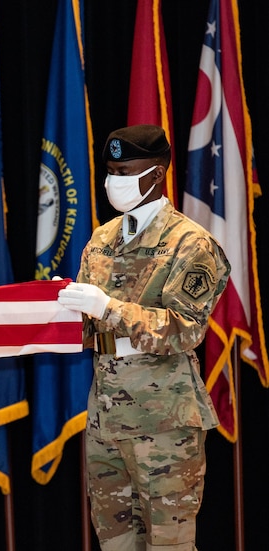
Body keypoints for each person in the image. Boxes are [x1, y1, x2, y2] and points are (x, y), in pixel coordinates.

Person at [57, 125, 230, 551]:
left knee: (168, 544)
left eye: (124, 171)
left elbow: (184, 328)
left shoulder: (191, 243)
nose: (112, 181)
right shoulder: (103, 238)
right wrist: (57, 309)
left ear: (155, 175)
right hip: (105, 417)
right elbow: (86, 323)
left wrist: (107, 308)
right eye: (110, 171)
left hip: (164, 422)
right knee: (114, 542)